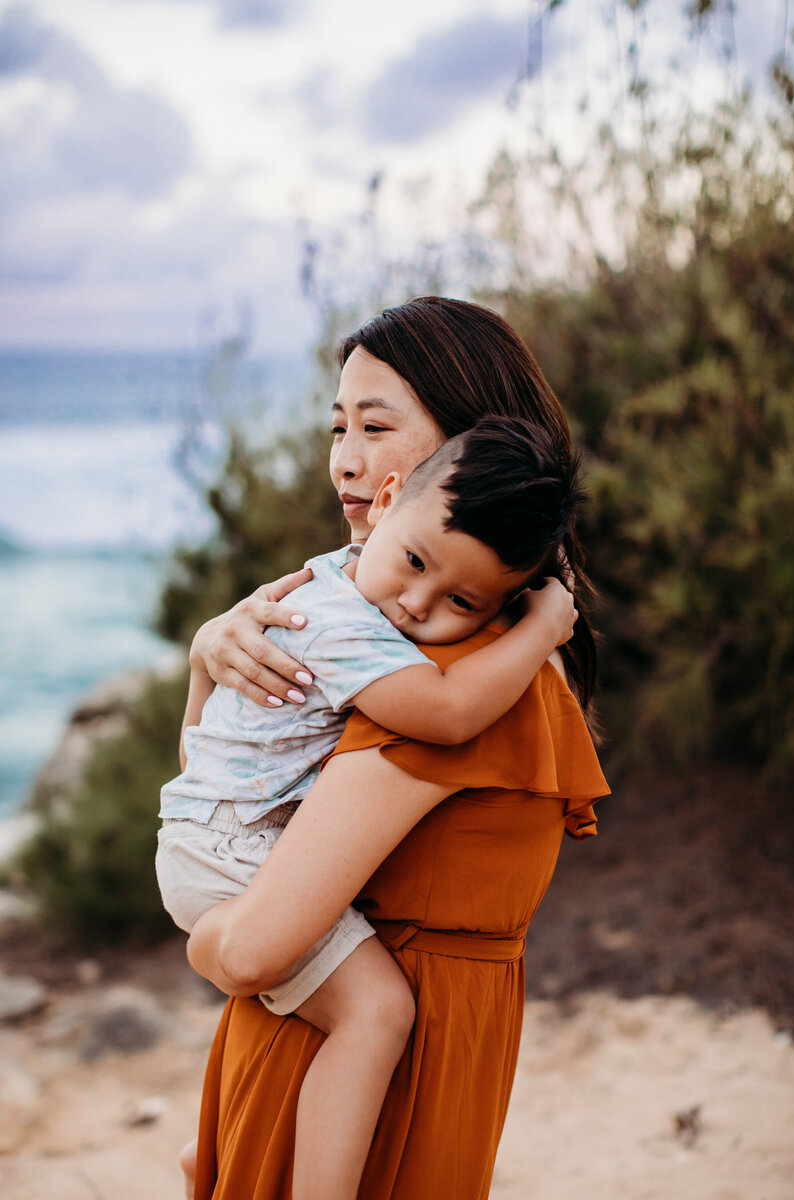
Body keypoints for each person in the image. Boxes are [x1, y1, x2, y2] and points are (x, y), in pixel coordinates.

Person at [181, 297, 609, 1200]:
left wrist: (206, 947)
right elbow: (229, 794)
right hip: (353, 1065)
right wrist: (206, 665)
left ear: (474, 443)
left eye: (376, 427)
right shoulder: (423, 645)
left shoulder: (449, 680)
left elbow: (251, 946)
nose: (345, 459)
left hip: (353, 1069)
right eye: (338, 426)